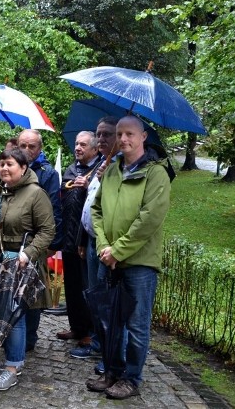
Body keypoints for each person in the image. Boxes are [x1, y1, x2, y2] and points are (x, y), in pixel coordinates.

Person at [86, 116, 172, 400]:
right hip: (107, 257)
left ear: (143, 137)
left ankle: (131, 377)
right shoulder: (111, 171)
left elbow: (149, 220)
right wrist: (103, 245)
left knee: (135, 324)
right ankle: (112, 370)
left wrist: (118, 251)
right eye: (120, 134)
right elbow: (96, 210)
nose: (123, 139)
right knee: (108, 319)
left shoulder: (156, 174)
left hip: (139, 264)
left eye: (129, 134)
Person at [0, 147, 55, 391]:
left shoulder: (36, 194)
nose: (3, 168)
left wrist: (27, 254)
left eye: (10, 164)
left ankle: (13, 366)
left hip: (21, 263)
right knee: (0, 313)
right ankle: (6, 361)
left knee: (15, 314)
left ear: (23, 168)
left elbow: (47, 231)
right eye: (1, 163)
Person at [75, 116, 119, 364]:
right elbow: (90, 206)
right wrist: (83, 238)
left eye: (108, 134)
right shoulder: (102, 163)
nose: (101, 138)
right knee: (94, 295)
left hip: (107, 244)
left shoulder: (119, 167)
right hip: (91, 239)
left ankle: (107, 352)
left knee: (105, 299)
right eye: (99, 133)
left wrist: (107, 177)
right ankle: (97, 342)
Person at [17, 129, 62, 350]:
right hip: (13, 239)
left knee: (31, 292)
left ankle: (29, 338)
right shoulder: (11, 168)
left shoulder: (48, 174)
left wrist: (52, 244)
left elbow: (54, 209)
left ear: (40, 148)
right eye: (22, 146)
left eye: (31, 146)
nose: (26, 150)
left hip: (36, 241)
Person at [56, 131, 99, 345]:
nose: (78, 148)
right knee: (71, 286)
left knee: (86, 286)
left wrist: (87, 185)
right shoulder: (71, 168)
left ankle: (90, 332)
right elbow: (63, 189)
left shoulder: (98, 170)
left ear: (95, 148)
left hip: (85, 238)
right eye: (76, 144)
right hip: (68, 236)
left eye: (83, 145)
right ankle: (76, 327)